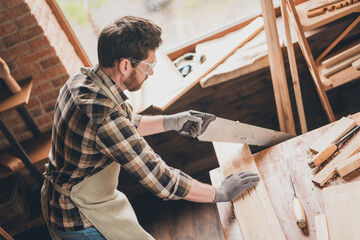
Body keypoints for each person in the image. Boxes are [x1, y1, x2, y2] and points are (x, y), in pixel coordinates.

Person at [41, 16, 260, 240]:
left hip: (67, 201)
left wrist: (173, 121)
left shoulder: (80, 81)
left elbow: (126, 125)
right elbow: (161, 180)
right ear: (125, 65)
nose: (151, 73)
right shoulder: (104, 118)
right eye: (148, 66)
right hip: (80, 218)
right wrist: (219, 193)